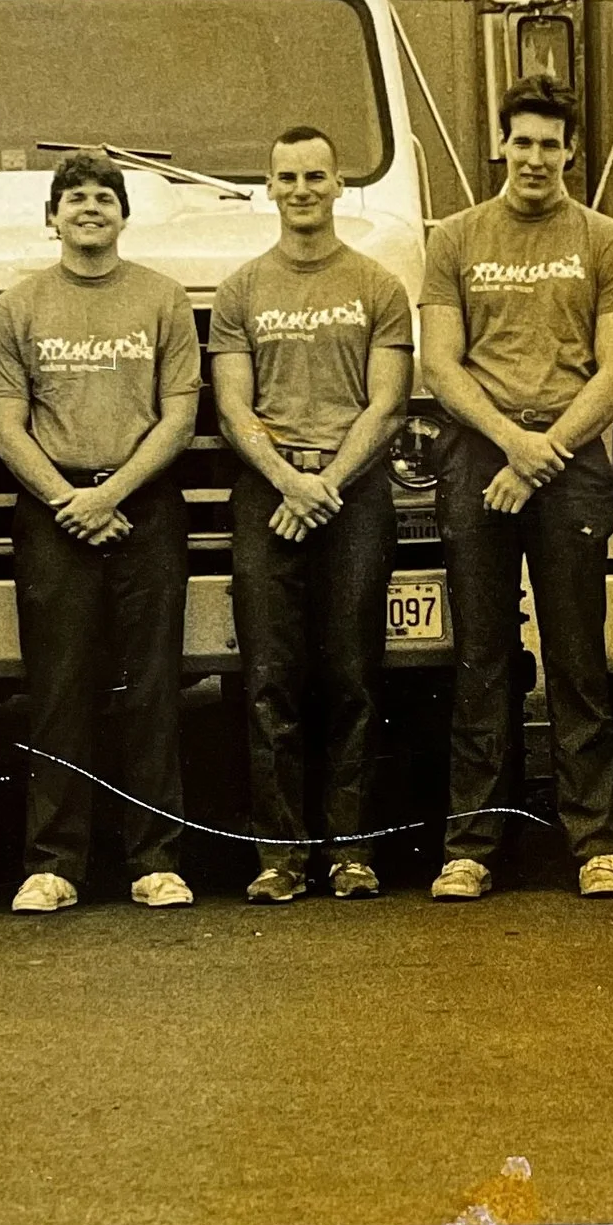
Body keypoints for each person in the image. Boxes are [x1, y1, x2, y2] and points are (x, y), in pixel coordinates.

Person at [420, 76, 613, 901]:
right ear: (501, 145)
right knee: (481, 657)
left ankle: (596, 844)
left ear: (571, 151)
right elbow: (439, 362)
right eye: (524, 141)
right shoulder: (455, 237)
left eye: (552, 144)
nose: (538, 158)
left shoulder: (606, 240)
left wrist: (545, 450)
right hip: (481, 456)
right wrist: (514, 446)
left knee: (579, 658)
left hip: (572, 457)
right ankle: (472, 847)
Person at [0, 148, 204, 914]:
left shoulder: (162, 298)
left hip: (144, 505)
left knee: (152, 687)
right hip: (53, 515)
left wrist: (111, 492)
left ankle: (155, 859)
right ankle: (54, 864)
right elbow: (7, 424)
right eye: (74, 197)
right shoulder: (20, 306)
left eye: (103, 197)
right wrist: (66, 499)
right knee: (58, 688)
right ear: (52, 217)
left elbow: (179, 413)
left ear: (123, 214)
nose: (89, 208)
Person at [210, 125, 415, 903]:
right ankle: (280, 857)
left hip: (353, 492)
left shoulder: (377, 286)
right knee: (270, 681)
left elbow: (387, 402)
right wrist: (287, 481)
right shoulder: (242, 289)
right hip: (270, 493)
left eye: (315, 176)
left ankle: (353, 852)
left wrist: (325, 482)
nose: (301, 189)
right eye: (287, 177)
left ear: (339, 186)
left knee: (354, 675)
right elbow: (233, 406)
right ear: (270, 188)